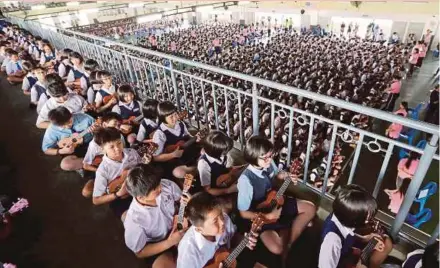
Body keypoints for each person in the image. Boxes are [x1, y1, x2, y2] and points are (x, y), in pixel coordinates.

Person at [236, 136, 316, 263]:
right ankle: (288, 225)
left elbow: (277, 175)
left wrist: (287, 175)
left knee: (310, 208)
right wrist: (268, 217)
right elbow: (243, 213)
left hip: (275, 199)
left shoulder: (268, 162)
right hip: (260, 214)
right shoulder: (246, 181)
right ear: (253, 157)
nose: (270, 159)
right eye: (265, 157)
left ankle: (289, 243)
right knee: (277, 248)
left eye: (271, 155)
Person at [124, 164, 189, 267]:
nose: (161, 188)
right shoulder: (134, 220)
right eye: (156, 191)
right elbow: (139, 252)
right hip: (158, 244)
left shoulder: (165, 185)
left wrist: (183, 210)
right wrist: (170, 242)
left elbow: (180, 202)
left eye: (159, 184)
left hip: (177, 227)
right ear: (141, 197)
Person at [177, 192, 258, 268]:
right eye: (215, 221)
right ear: (199, 229)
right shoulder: (188, 254)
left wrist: (245, 241)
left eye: (221, 214)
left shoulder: (224, 219)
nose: (222, 222)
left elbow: (233, 238)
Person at [319, 185, 393, 268]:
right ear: (354, 218)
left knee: (387, 242)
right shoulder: (332, 241)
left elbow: (347, 234)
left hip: (347, 254)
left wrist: (365, 238)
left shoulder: (342, 213)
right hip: (342, 262)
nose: (368, 220)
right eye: (366, 218)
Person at [91, 127, 142, 221]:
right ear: (102, 149)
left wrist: (146, 163)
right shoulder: (102, 170)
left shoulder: (132, 153)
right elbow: (96, 200)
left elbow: (142, 169)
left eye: (119, 143)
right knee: (130, 219)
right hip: (120, 198)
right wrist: (118, 194)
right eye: (111, 147)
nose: (118, 149)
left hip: (139, 187)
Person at [82, 112, 127, 198]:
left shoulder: (119, 136)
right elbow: (86, 165)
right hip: (102, 168)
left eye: (119, 125)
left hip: (119, 167)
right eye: (114, 124)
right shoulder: (94, 144)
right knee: (86, 192)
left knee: (123, 193)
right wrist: (103, 173)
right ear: (105, 124)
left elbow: (124, 153)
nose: (117, 128)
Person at [152, 101, 201, 180]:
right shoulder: (159, 134)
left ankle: (196, 170)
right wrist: (173, 155)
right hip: (173, 161)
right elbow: (155, 158)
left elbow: (188, 136)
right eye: (171, 117)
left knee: (204, 150)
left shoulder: (181, 124)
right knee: (179, 172)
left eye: (175, 114)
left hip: (187, 153)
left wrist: (195, 138)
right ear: (163, 118)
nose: (175, 118)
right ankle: (198, 169)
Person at [198, 131, 242, 213]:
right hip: (216, 190)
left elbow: (222, 168)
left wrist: (232, 170)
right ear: (216, 152)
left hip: (224, 180)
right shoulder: (204, 164)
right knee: (228, 207)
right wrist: (228, 190)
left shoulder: (221, 155)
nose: (226, 153)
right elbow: (208, 190)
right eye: (224, 152)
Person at [41, 106, 95, 171]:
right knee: (65, 165)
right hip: (74, 152)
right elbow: (46, 150)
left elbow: (101, 131)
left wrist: (96, 130)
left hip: (92, 145)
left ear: (71, 114)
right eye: (62, 126)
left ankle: (86, 165)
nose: (67, 126)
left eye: (69, 121)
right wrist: (61, 151)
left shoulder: (84, 117)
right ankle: (93, 162)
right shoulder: (52, 129)